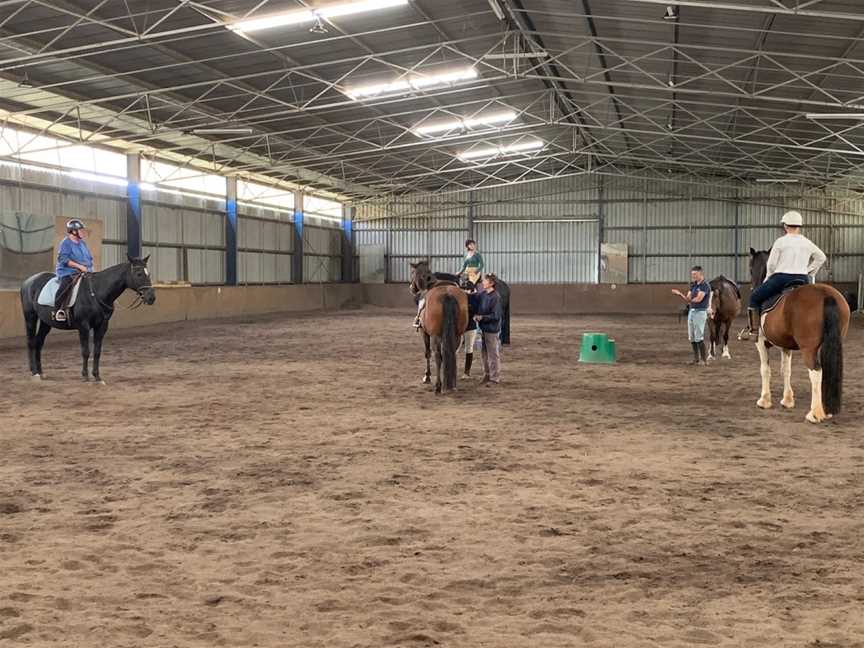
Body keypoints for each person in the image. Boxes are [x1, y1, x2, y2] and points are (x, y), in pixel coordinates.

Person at [746, 210, 826, 335]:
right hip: (802, 279)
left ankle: (754, 331)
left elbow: (771, 265)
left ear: (785, 226)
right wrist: (809, 271)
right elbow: (821, 257)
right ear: (799, 226)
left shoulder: (780, 242)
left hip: (781, 279)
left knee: (754, 298)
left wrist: (768, 278)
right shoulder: (807, 242)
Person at [54, 219, 94, 322]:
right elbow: (63, 259)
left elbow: (89, 259)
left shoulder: (83, 244)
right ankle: (58, 309)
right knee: (66, 285)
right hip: (67, 272)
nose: (83, 232)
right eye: (80, 230)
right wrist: (79, 267)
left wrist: (89, 268)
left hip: (84, 272)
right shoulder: (66, 243)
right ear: (73, 231)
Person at [671, 266, 711, 366]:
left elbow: (698, 299)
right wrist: (681, 295)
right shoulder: (693, 285)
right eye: (692, 274)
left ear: (700, 274)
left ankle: (704, 360)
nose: (693, 276)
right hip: (692, 311)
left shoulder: (704, 285)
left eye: (695, 274)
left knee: (699, 336)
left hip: (700, 312)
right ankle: (696, 359)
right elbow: (688, 298)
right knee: (692, 337)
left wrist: (683, 296)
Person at [471, 273, 502, 385]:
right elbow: (474, 298)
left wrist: (482, 317)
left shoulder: (495, 297)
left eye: (485, 280)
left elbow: (496, 315)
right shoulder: (483, 294)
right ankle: (487, 375)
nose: (482, 282)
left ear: (491, 283)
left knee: (493, 354)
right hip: (483, 329)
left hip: (491, 330)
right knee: (484, 353)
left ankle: (494, 378)